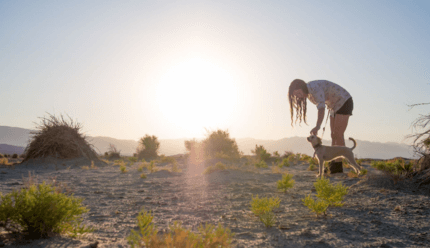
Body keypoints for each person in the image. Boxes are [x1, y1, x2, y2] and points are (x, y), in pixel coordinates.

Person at [288, 79, 354, 173]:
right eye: (296, 95)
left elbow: (321, 109)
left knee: (338, 134)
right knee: (333, 135)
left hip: (344, 101)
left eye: (299, 93)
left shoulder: (314, 88)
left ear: (302, 88)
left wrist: (317, 126)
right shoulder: (310, 94)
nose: (299, 96)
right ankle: (334, 164)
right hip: (334, 106)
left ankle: (337, 167)